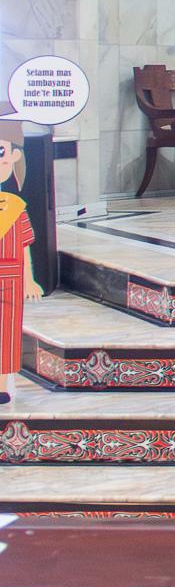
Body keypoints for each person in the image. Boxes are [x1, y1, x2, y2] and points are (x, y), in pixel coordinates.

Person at [0, 117, 43, 408]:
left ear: (14, 155)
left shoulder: (16, 208)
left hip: (11, 276)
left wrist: (29, 279)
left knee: (7, 331)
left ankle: (2, 383)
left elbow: (24, 244)